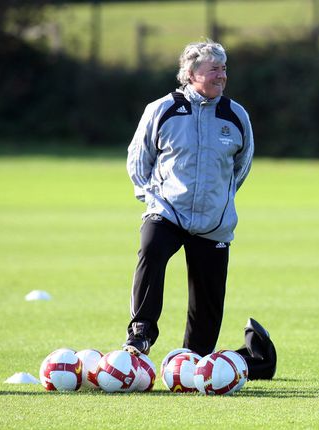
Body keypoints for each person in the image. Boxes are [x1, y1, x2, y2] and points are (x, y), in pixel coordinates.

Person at [123, 40, 276, 380]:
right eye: (214, 69)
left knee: (207, 298)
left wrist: (219, 200)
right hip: (166, 211)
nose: (222, 75)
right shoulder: (162, 109)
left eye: (224, 69)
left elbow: (242, 166)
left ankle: (194, 357)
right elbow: (139, 159)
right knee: (151, 251)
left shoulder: (236, 115)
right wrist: (152, 198)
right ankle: (141, 334)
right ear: (190, 75)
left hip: (213, 221)